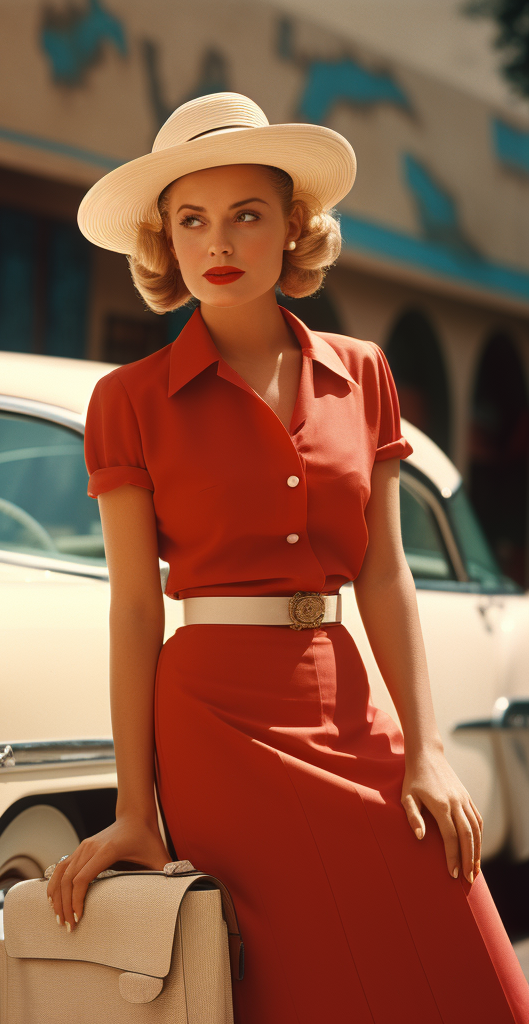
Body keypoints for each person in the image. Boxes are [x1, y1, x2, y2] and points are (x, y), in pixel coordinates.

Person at [45, 92, 529, 1023]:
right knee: (283, 981)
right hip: (211, 718)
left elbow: (385, 573)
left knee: (463, 953)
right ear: (167, 244)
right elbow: (136, 609)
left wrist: (424, 749)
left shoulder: (365, 372)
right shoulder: (130, 400)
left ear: (293, 229)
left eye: (245, 216)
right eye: (192, 220)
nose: (217, 242)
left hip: (346, 695)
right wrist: (135, 808)